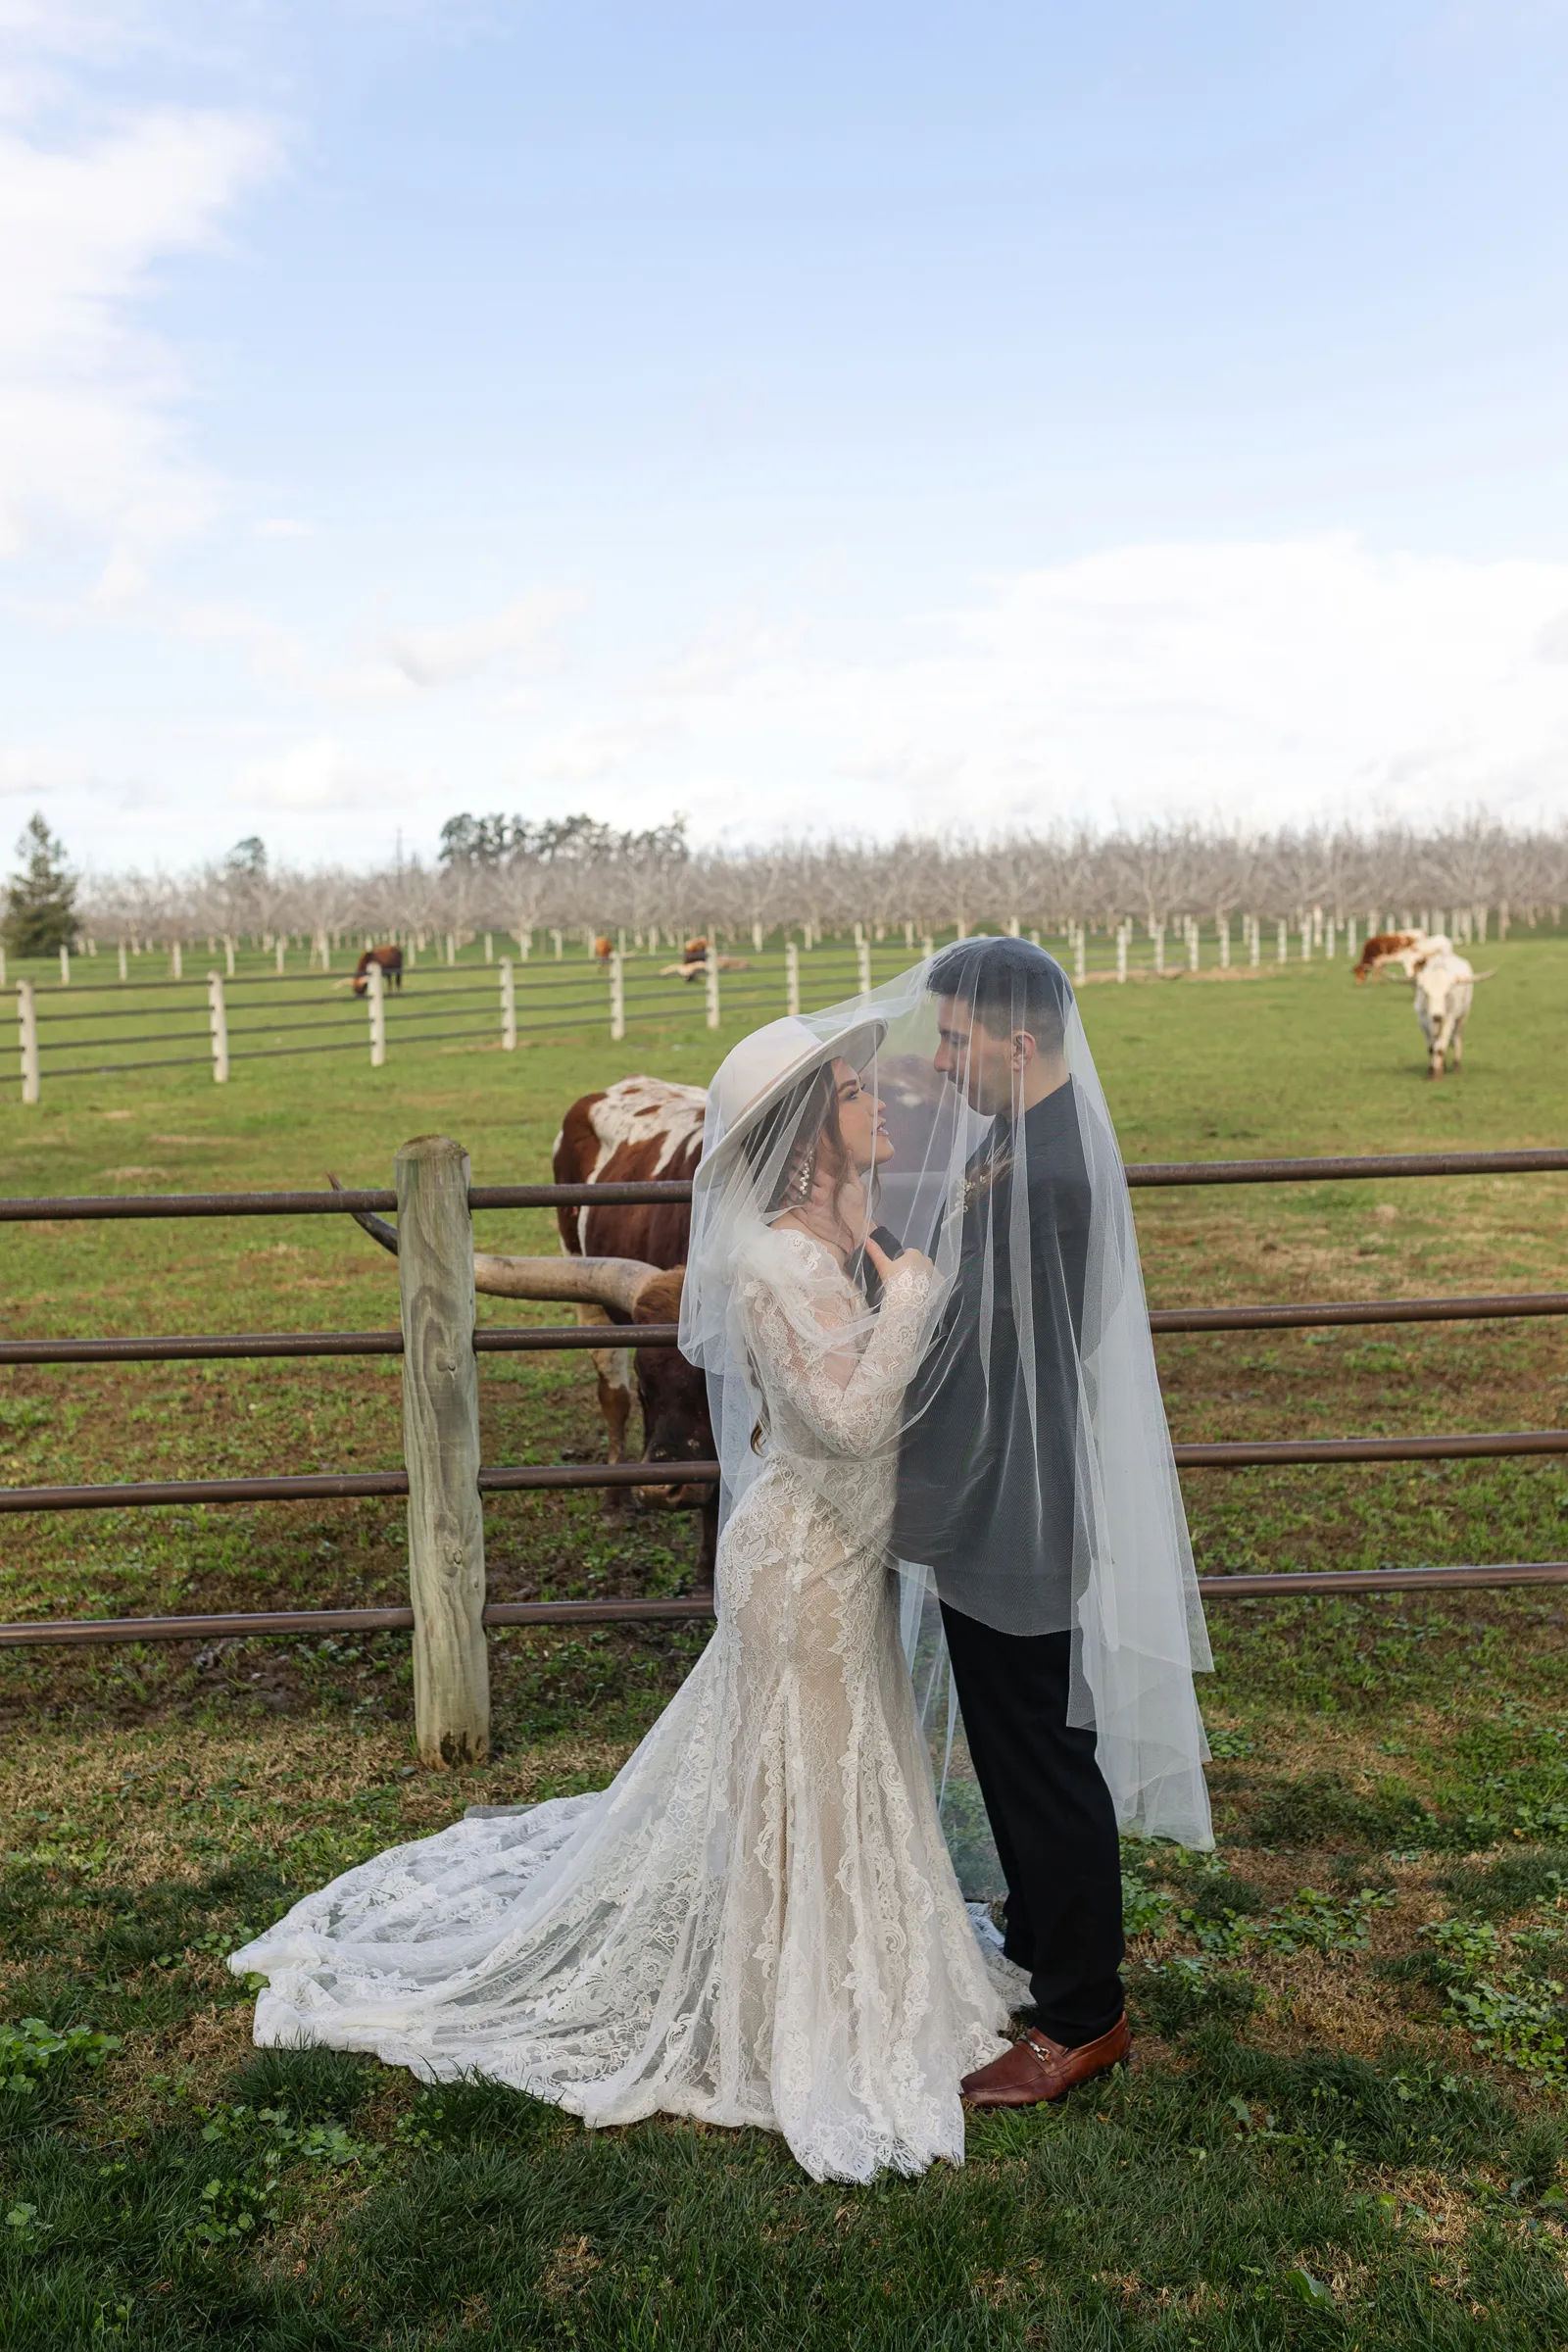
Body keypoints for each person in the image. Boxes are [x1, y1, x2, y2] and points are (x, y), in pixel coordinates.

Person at [231, 1006, 1016, 2186]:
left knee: (840, 1774)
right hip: (802, 1566)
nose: (880, 1103)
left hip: (837, 1554)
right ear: (810, 1131)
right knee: (804, 1777)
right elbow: (851, 1422)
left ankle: (849, 1971)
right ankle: (790, 2007)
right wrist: (910, 1295)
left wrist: (873, 1245)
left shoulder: (830, 1237)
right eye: (856, 1094)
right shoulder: (776, 1263)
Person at [892, 936, 1214, 2110]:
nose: (939, 1061)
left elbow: (983, 1362)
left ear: (1017, 1043)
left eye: (953, 1040)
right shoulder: (1021, 1134)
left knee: (1041, 1756)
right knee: (1012, 1737)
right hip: (1004, 1488)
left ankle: (1083, 2017)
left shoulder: (1050, 1172)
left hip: (1014, 1501)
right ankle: (1034, 1928)